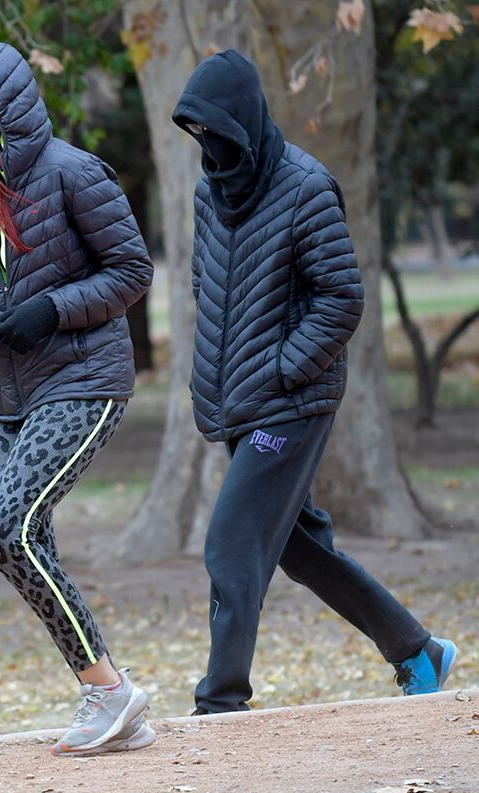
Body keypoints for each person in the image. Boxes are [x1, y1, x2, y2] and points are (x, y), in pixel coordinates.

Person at [172, 49, 457, 714]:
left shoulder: (305, 186)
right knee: (300, 552)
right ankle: (417, 649)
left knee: (231, 542)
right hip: (238, 400)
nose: (210, 146)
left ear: (245, 120)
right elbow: (203, 285)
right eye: (199, 133)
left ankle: (221, 701)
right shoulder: (207, 192)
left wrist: (281, 367)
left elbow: (341, 298)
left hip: (294, 400)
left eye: (219, 130)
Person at [0, 42, 155, 755]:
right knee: (26, 542)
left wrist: (51, 310)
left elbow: (131, 270)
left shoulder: (73, 172)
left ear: (4, 103)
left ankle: (110, 689)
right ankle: (114, 707)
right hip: (7, 394)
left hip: (83, 379)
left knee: (7, 528)